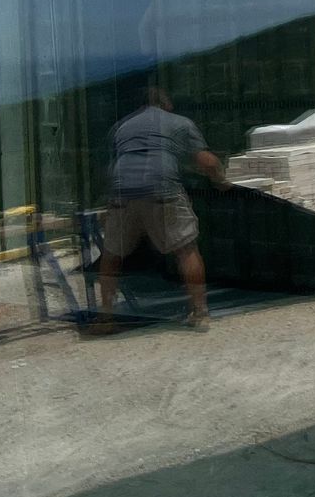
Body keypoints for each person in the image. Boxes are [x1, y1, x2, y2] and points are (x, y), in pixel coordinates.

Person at [97, 86, 230, 332]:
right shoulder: (179, 123)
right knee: (186, 248)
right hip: (161, 189)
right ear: (164, 102)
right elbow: (205, 161)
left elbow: (113, 165)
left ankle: (105, 317)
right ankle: (199, 313)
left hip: (122, 191)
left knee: (112, 254)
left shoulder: (121, 127)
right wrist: (221, 179)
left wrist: (108, 204)